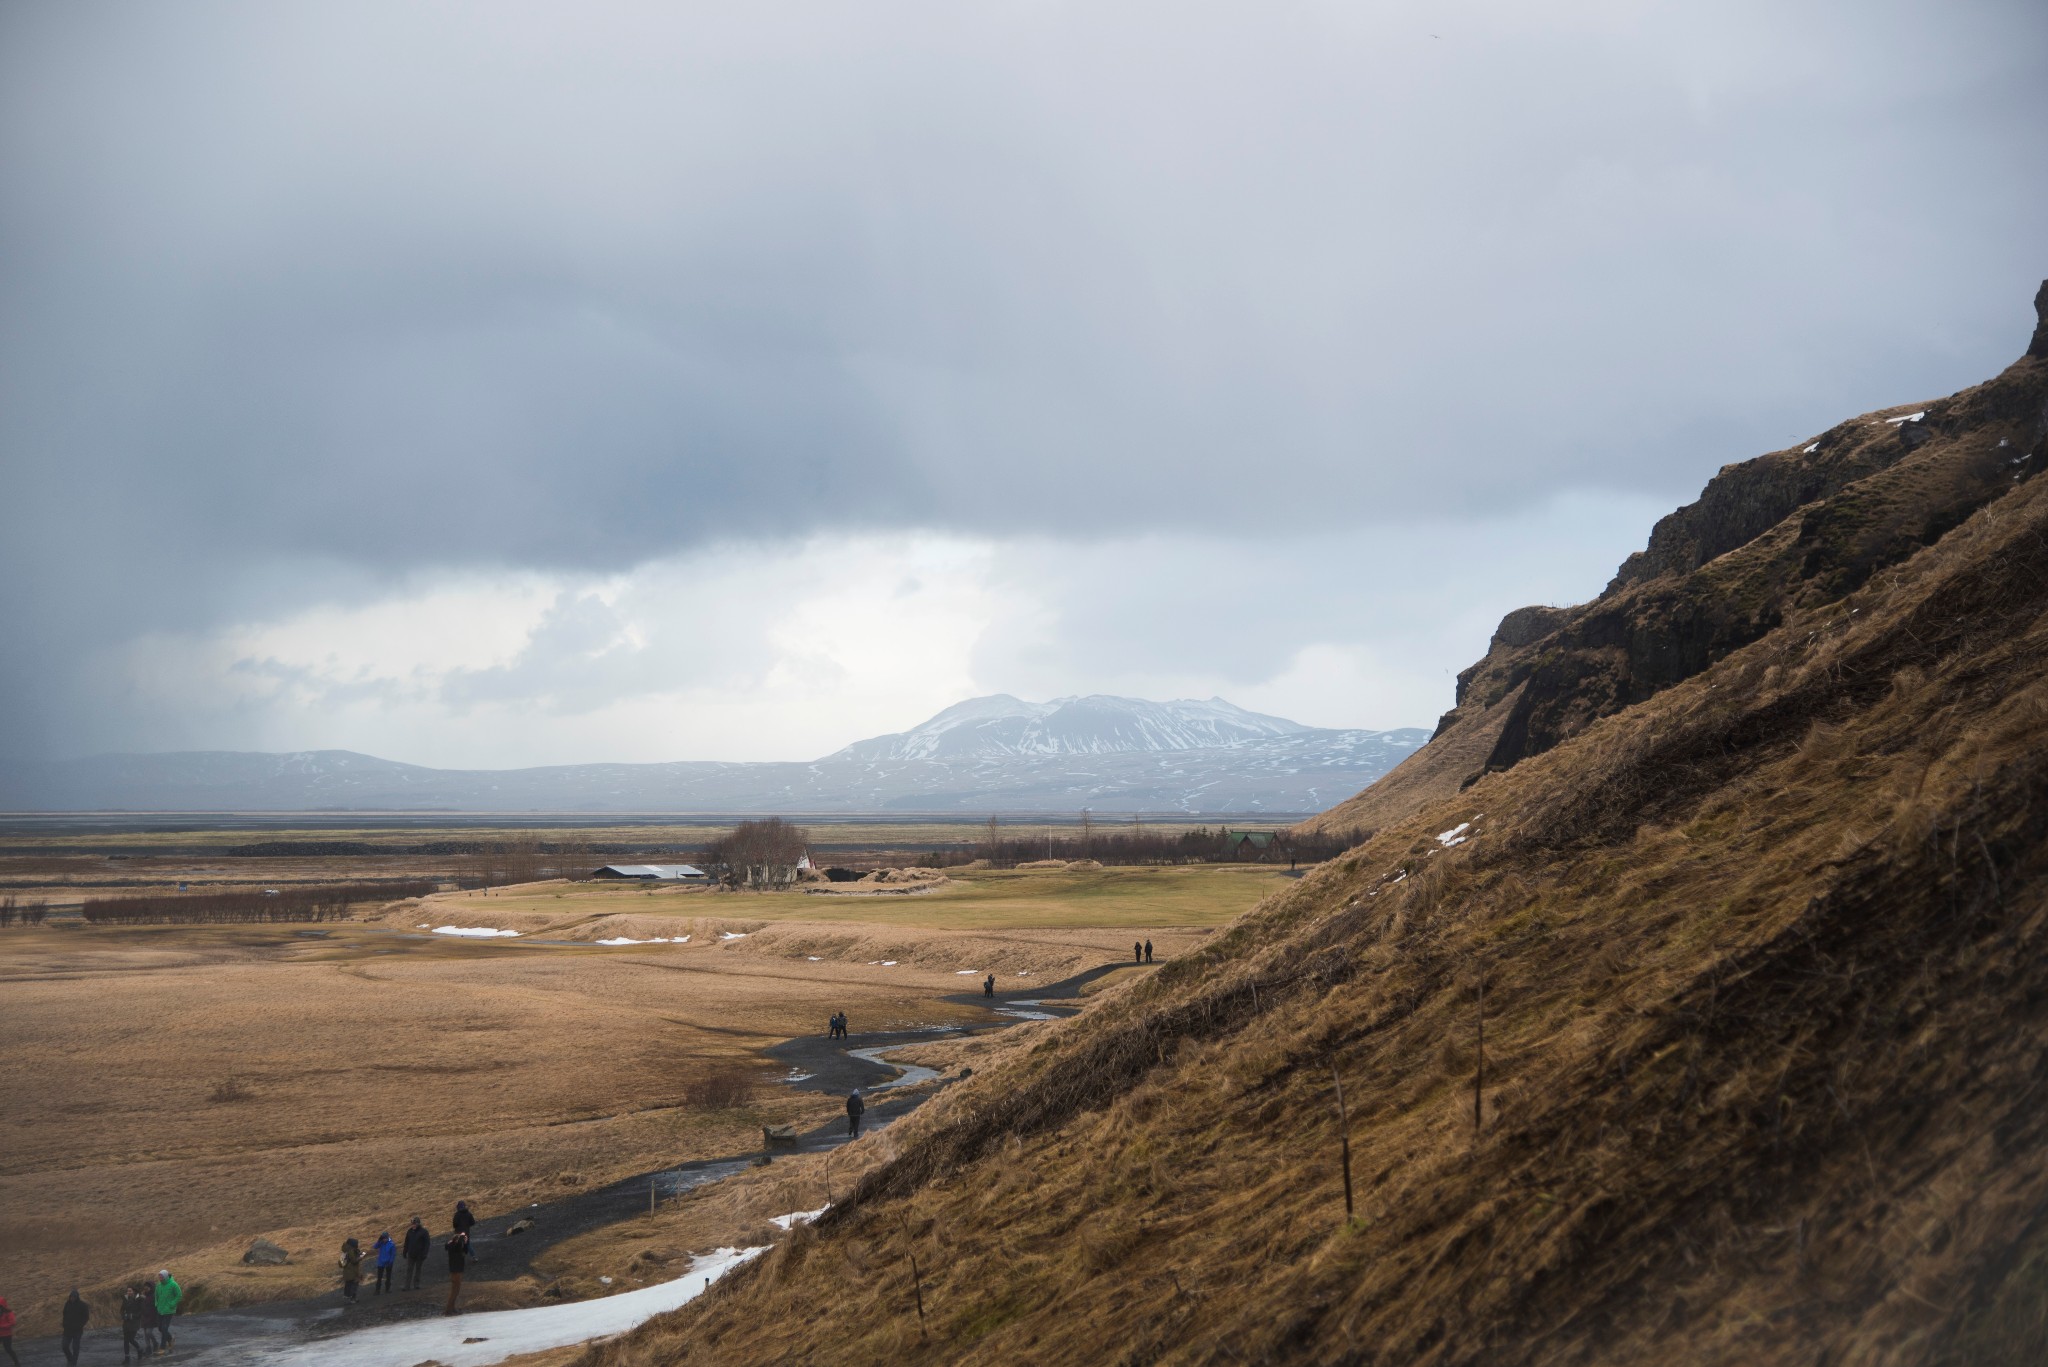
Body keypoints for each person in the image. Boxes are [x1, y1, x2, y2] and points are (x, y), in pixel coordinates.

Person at [154, 1269, 182, 1353]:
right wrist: (156, 1304)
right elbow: (156, 1295)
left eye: (161, 1276)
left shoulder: (173, 1284)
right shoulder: (159, 1285)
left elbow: (179, 1295)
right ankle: (170, 1339)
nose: (160, 1277)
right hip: (160, 1309)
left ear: (166, 1276)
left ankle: (162, 1348)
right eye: (159, 1276)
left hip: (169, 1310)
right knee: (160, 1328)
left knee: (164, 1328)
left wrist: (172, 1304)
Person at [444, 1230, 470, 1316]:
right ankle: (448, 1310)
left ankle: (452, 1308)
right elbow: (458, 1246)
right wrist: (462, 1236)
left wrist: (465, 1243)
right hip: (456, 1271)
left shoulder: (455, 1246)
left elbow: (465, 1251)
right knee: (454, 1291)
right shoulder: (453, 1246)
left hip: (458, 1270)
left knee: (456, 1291)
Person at [60, 1289, 89, 1366]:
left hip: (77, 1331)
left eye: (74, 1297)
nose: (72, 1298)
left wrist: (80, 1325)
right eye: (71, 1297)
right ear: (69, 1297)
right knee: (64, 1346)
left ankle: (73, 1363)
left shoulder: (82, 1305)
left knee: (75, 1348)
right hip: (67, 1330)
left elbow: (86, 1317)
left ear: (77, 1297)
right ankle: (70, 1359)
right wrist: (64, 1323)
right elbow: (64, 1314)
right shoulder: (67, 1304)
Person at [402, 1217, 431, 1291]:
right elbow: (406, 1242)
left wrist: (425, 1253)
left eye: (415, 1224)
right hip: (411, 1254)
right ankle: (407, 1286)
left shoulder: (424, 1232)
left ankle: (416, 1285)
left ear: (418, 1223)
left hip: (420, 1255)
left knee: (418, 1269)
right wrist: (405, 1251)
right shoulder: (409, 1231)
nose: (413, 1225)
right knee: (409, 1269)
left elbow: (427, 1244)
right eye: (412, 1224)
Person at [122, 1285, 147, 1363]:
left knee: (130, 1339)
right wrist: (123, 1316)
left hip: (135, 1322)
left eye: (130, 1291)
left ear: (134, 1291)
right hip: (126, 1322)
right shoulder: (125, 1299)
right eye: (127, 1291)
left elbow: (142, 1311)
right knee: (125, 1340)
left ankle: (140, 1350)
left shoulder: (139, 1299)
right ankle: (127, 1358)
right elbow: (121, 1310)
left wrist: (132, 1316)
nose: (128, 1292)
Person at [339, 1236, 364, 1302]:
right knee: (354, 1285)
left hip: (347, 1271)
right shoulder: (351, 1251)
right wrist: (361, 1257)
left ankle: (347, 1296)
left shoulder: (345, 1250)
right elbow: (354, 1261)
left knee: (349, 1284)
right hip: (352, 1271)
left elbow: (342, 1263)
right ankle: (353, 1299)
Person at [372, 1229, 396, 1294]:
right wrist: (379, 1240)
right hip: (381, 1262)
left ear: (387, 1237)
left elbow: (393, 1254)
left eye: (385, 1238)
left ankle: (387, 1289)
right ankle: (377, 1290)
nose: (384, 1240)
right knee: (379, 1277)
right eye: (383, 1239)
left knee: (388, 1277)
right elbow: (374, 1247)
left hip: (388, 1262)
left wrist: (390, 1262)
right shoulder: (381, 1242)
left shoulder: (391, 1244)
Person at [0, 1295, 16, 1367]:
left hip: (6, 1334)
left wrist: (2, 1327)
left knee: (8, 1349)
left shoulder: (9, 1313)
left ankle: (17, 1363)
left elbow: (12, 1323)